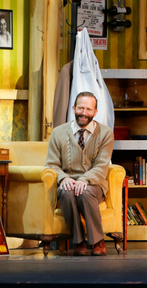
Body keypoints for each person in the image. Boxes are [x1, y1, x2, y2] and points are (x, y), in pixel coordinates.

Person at [45, 91, 114, 256]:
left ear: (95, 112)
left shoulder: (105, 133)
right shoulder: (58, 133)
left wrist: (85, 179)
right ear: (74, 108)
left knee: (84, 192)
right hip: (67, 181)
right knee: (67, 192)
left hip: (94, 184)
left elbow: (102, 165)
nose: (84, 113)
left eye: (89, 110)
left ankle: (97, 241)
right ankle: (79, 242)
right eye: (81, 108)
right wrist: (63, 178)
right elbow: (51, 164)